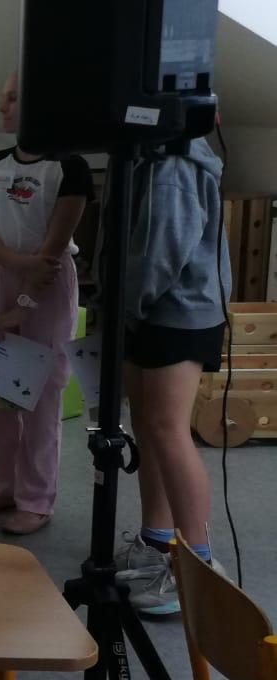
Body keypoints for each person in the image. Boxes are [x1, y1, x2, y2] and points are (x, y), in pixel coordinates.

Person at [110, 129, 232, 615]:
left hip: (176, 310)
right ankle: (157, 540)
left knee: (167, 429)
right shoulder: (144, 156)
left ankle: (196, 570)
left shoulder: (173, 166)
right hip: (147, 308)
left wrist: (125, 306)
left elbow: (160, 252)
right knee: (147, 425)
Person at [0, 73, 92, 536]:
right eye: (3, 98)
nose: (3, 107)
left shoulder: (70, 167)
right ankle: (5, 486)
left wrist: (25, 299)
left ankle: (36, 499)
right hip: (1, 272)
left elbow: (54, 245)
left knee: (41, 393)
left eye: (13, 99)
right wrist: (18, 267)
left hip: (49, 281)